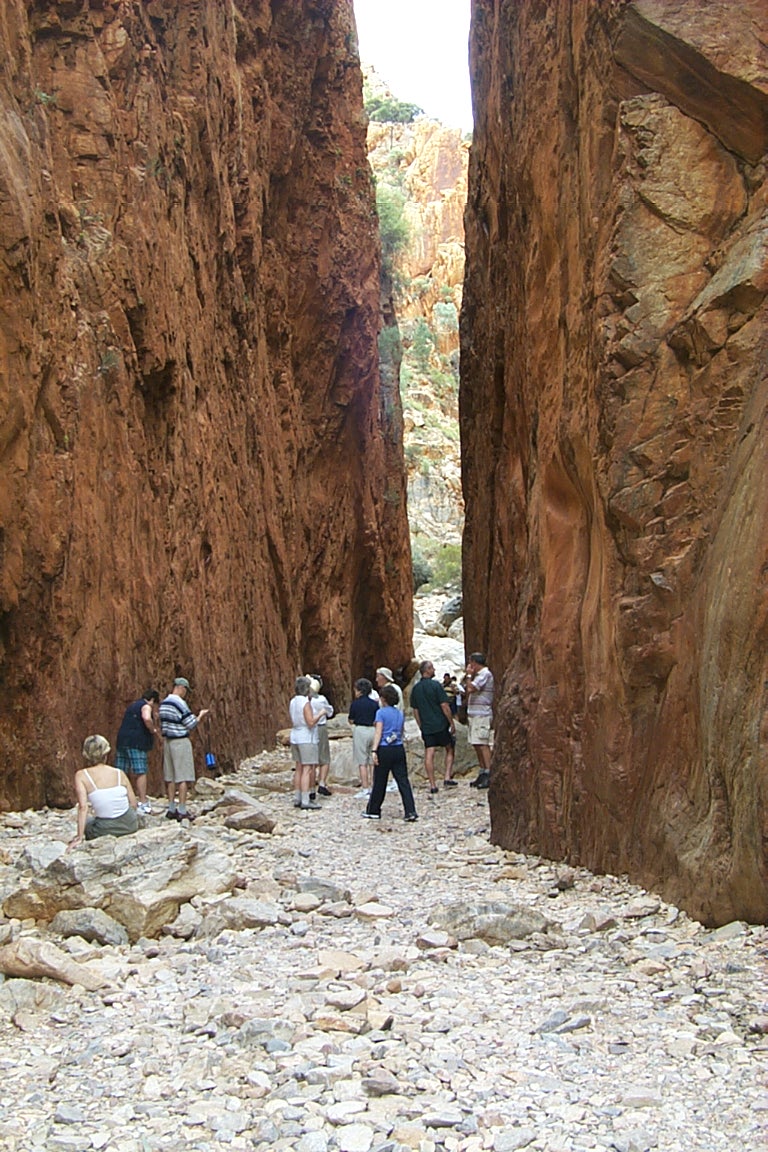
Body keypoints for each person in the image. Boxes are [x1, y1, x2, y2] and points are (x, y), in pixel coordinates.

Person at [68, 735, 138, 849]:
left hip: (105, 828)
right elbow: (133, 804)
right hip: (130, 824)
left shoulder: (81, 775)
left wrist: (80, 836)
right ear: (106, 754)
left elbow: (83, 807)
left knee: (89, 823)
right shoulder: (119, 773)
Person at [363, 684, 417, 822]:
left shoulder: (380, 713)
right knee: (403, 780)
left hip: (384, 748)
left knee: (380, 781)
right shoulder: (399, 713)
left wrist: (374, 750)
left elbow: (379, 732)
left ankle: (374, 809)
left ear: (383, 699)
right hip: (398, 747)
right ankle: (410, 810)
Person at [158, 677, 209, 821]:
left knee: (170, 777)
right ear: (181, 688)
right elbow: (190, 723)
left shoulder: (164, 704)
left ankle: (171, 808)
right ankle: (182, 810)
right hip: (180, 742)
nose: (186, 693)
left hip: (168, 742)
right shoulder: (180, 704)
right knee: (182, 777)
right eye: (186, 690)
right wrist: (200, 716)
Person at [410, 660, 456, 793]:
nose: (434, 670)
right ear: (427, 670)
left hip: (427, 727)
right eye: (432, 668)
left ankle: (432, 784)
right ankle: (447, 777)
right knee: (449, 748)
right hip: (440, 724)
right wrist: (451, 723)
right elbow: (444, 706)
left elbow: (415, 710)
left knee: (429, 752)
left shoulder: (416, 689)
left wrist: (420, 725)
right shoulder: (436, 686)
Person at [115, 689, 160, 815]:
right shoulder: (146, 706)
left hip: (122, 740)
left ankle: (120, 801)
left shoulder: (133, 705)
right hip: (136, 743)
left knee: (121, 771)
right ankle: (143, 802)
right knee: (140, 771)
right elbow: (146, 718)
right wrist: (153, 729)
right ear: (152, 700)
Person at [289, 675, 327, 810]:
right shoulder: (305, 703)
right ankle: (306, 799)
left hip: (295, 736)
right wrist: (321, 713)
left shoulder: (293, 701)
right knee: (307, 769)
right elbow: (310, 722)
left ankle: (297, 796)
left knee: (298, 767)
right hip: (306, 738)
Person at [465, 652, 495, 788]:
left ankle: (489, 773)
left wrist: (469, 676)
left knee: (483, 744)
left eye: (471, 663)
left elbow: (471, 688)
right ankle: (482, 771)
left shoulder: (485, 674)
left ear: (475, 663)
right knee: (476, 743)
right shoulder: (479, 675)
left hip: (481, 715)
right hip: (474, 714)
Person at [348, 677, 378, 796]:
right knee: (372, 760)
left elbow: (351, 719)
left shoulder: (355, 704)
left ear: (359, 691)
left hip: (360, 730)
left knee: (362, 761)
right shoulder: (374, 704)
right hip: (373, 730)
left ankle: (365, 788)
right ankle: (374, 786)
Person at [308, 676, 334, 797]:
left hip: (308, 729)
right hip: (321, 727)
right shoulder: (322, 699)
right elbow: (330, 712)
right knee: (324, 757)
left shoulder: (304, 701)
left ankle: (311, 787)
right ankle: (322, 783)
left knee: (311, 760)